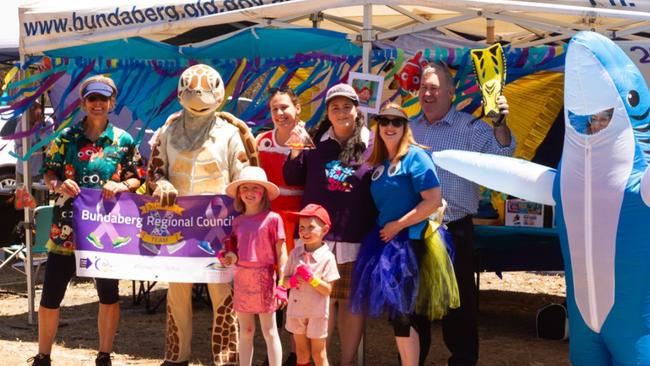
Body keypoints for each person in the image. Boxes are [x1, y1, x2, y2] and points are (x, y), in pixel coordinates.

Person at [147, 64, 258, 366]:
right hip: (178, 227)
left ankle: (227, 358)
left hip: (219, 230)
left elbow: (247, 176)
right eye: (192, 92)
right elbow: (154, 173)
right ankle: (175, 355)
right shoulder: (167, 131)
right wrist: (163, 184)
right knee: (177, 294)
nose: (198, 98)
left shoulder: (231, 133)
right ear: (181, 94)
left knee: (223, 295)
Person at [29, 75, 142, 366]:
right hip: (65, 228)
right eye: (92, 99)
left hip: (104, 232)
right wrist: (59, 184)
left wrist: (121, 186)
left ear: (112, 103)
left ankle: (104, 355)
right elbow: (49, 173)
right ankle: (43, 355)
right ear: (83, 102)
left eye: (103, 99)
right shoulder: (66, 137)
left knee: (108, 293)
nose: (98, 104)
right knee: (51, 294)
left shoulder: (123, 140)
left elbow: (137, 176)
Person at [410, 63, 515, 366]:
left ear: (451, 93)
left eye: (434, 88)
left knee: (459, 304)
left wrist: (500, 125)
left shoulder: (471, 128)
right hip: (414, 227)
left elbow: (503, 155)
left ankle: (463, 361)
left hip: (453, 228)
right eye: (423, 87)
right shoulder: (410, 127)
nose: (427, 93)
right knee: (414, 303)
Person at [351, 104, 459, 366]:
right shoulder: (378, 163)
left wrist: (398, 224)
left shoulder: (416, 157)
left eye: (396, 122)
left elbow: (432, 201)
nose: (390, 126)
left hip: (412, 241)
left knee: (403, 314)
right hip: (386, 242)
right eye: (384, 121)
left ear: (405, 127)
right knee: (398, 315)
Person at [283, 83, 376, 366]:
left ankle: (346, 362)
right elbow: (292, 177)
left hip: (353, 236)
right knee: (315, 301)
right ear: (327, 112)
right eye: (335, 107)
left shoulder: (372, 143)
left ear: (356, 109)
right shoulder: (315, 142)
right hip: (315, 239)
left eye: (347, 106)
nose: (341, 112)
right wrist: (296, 150)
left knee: (349, 304)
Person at [256, 86, 305, 365]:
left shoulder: (309, 142)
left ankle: (296, 353)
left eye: (285, 107)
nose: (280, 113)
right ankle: (270, 354)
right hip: (269, 221)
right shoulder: (261, 141)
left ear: (297, 109)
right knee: (270, 287)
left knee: (296, 288)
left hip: (297, 222)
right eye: (275, 108)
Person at [224, 166, 288, 366]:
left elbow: (282, 253)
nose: (249, 193)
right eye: (245, 188)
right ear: (238, 193)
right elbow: (233, 249)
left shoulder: (273, 219)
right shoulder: (237, 222)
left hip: (265, 277)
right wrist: (228, 256)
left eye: (255, 188)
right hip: (242, 277)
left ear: (264, 193)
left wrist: (282, 285)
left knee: (269, 331)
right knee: (246, 330)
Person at [283, 204, 340, 366]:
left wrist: (311, 278)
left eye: (311, 227)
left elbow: (327, 290)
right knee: (301, 353)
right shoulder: (295, 253)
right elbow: (283, 282)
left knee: (318, 353)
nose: (305, 232)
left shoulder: (327, 257)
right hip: (296, 311)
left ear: (325, 229)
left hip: (317, 312)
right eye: (301, 227)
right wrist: (292, 281)